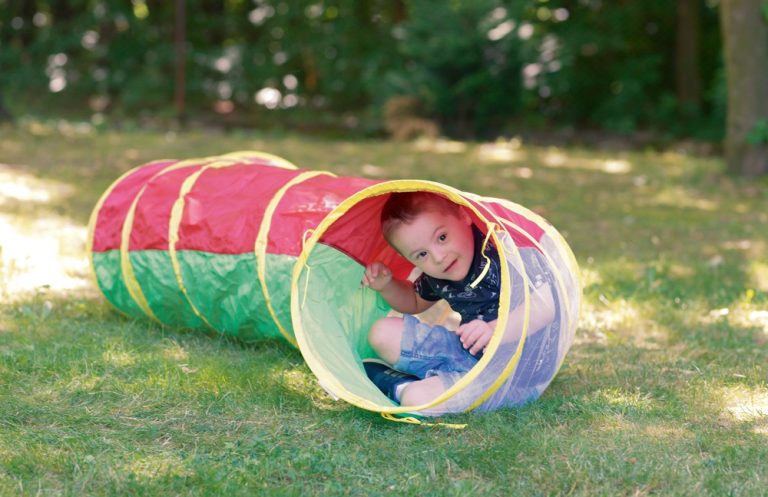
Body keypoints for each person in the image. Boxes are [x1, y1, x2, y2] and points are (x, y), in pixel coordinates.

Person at [361, 191, 503, 407]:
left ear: (464, 216)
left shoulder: (498, 253)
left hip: (505, 369)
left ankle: (402, 387)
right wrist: (387, 286)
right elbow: (414, 302)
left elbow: (544, 307)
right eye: (422, 255)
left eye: (442, 237)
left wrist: (495, 328)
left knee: (416, 398)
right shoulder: (439, 273)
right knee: (382, 332)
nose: (438, 257)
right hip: (464, 350)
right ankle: (433, 378)